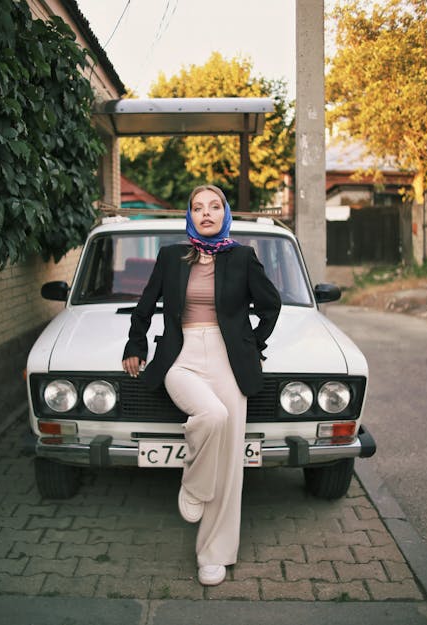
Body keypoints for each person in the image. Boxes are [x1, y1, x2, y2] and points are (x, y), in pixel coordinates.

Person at [122, 184, 281, 586]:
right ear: (189, 216)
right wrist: (135, 346)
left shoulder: (242, 257)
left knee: (230, 463)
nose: (205, 213)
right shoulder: (170, 256)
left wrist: (253, 344)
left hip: (230, 359)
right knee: (212, 416)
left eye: (214, 206)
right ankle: (192, 484)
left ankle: (213, 554)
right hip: (182, 356)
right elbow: (144, 307)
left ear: (224, 213)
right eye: (197, 207)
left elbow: (270, 305)